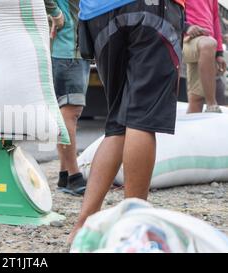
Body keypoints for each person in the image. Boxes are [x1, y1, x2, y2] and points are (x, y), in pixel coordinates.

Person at [68, 0, 185, 242]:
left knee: (118, 124)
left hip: (98, 14)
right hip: (151, 9)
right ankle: (135, 228)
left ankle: (83, 227)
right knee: (141, 119)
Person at [44, 0, 91, 196]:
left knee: (66, 112)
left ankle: (64, 173)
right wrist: (55, 13)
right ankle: (74, 176)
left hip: (72, 50)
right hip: (69, 50)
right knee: (70, 113)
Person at [184, 0, 226, 113]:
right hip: (185, 38)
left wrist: (219, 53)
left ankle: (190, 130)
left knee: (196, 99)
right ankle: (212, 104)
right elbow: (171, 9)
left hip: (206, 45)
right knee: (208, 44)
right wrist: (185, 27)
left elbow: (215, 19)